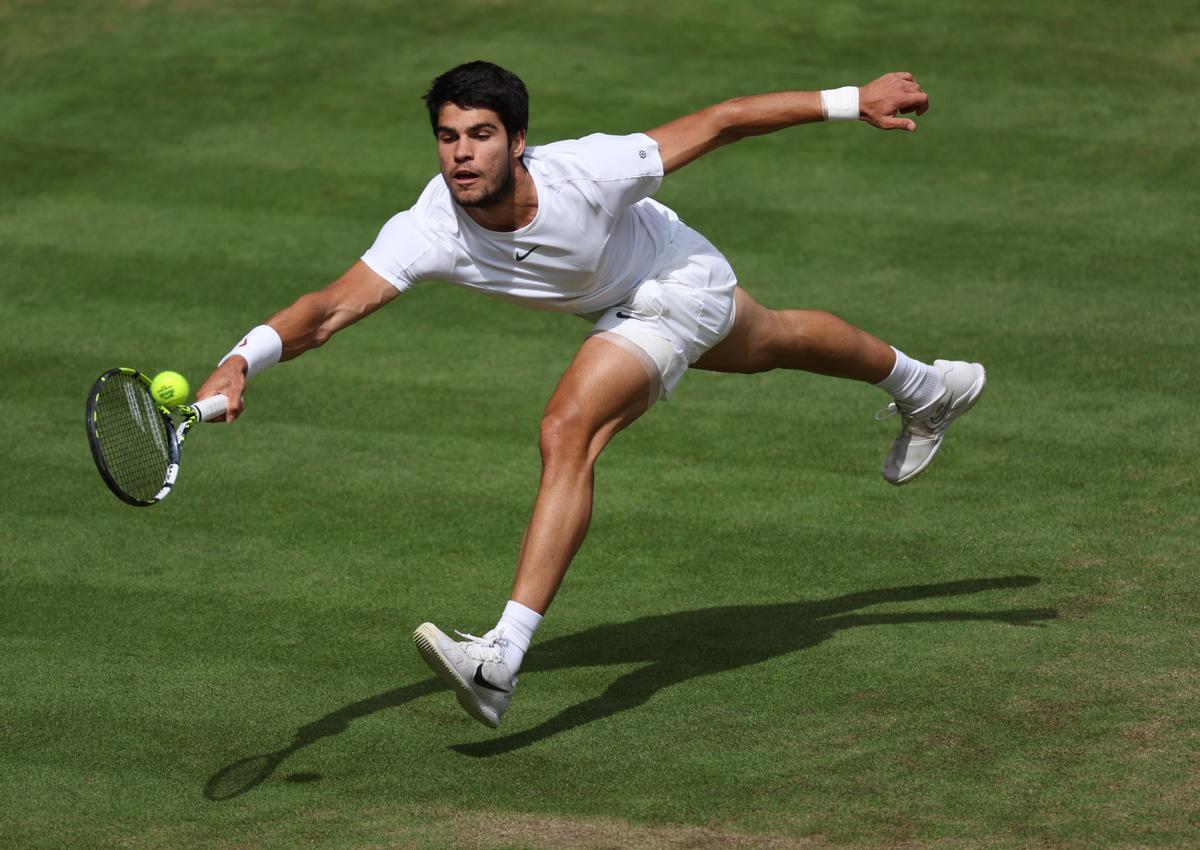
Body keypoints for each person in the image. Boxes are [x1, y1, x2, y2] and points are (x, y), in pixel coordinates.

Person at [196, 61, 985, 729]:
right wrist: (241, 360)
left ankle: (500, 659)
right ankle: (930, 386)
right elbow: (330, 308)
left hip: (674, 278)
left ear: (517, 141)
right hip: (624, 299)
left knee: (567, 428)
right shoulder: (430, 226)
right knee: (776, 339)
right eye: (448, 137)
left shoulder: (589, 170)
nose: (462, 155)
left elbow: (723, 121)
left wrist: (854, 101)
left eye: (480, 135)